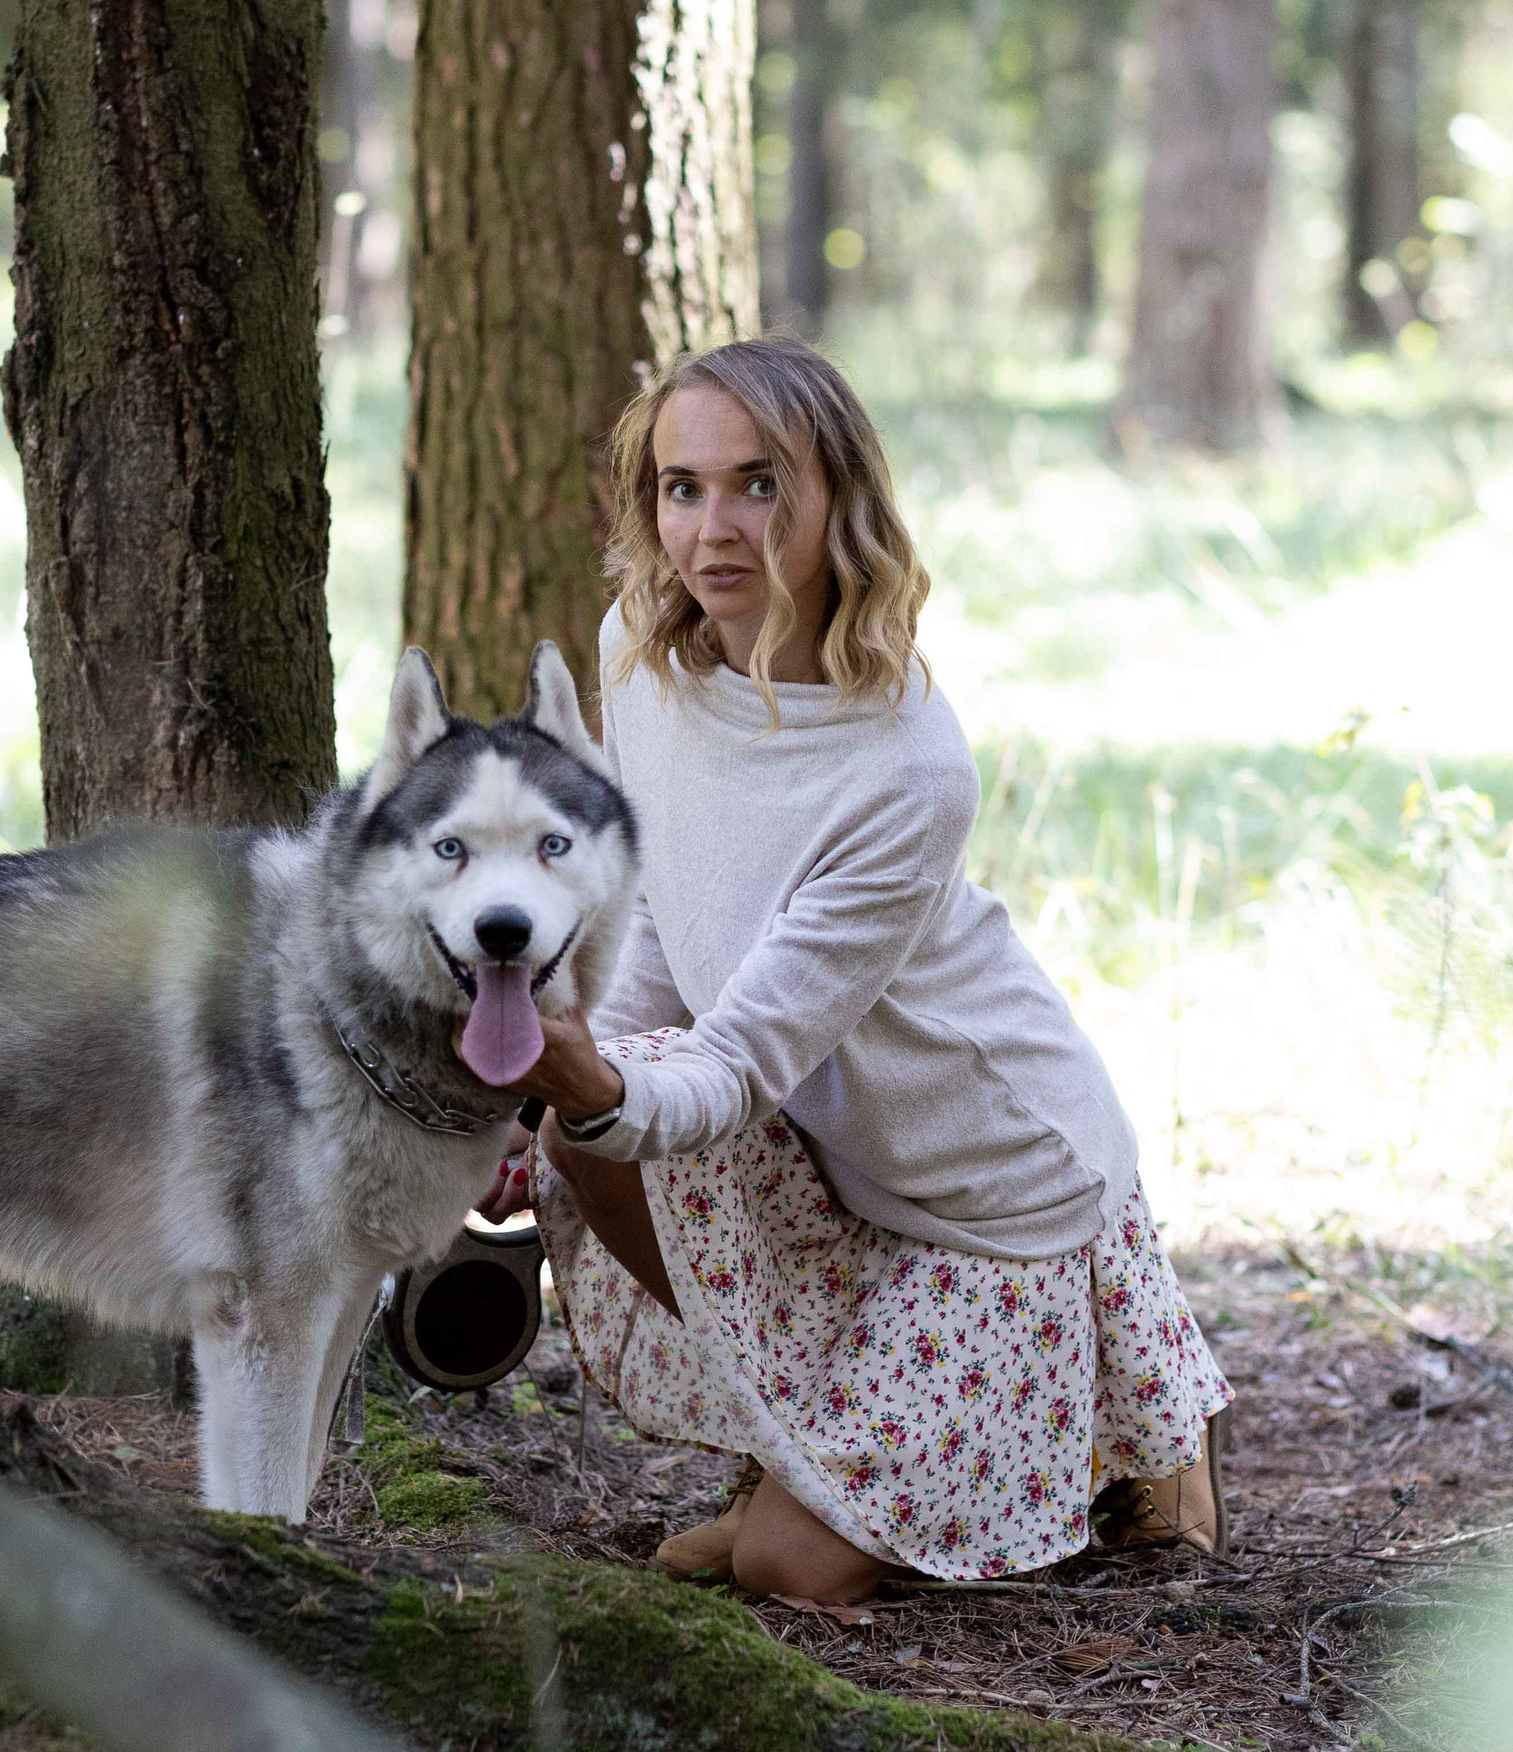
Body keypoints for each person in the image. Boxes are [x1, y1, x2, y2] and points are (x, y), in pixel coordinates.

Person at [501, 337, 1232, 1611]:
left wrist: (600, 1084)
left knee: (788, 1570)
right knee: (584, 1145)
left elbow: (736, 1062)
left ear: (839, 496)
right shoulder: (640, 652)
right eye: (681, 487)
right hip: (826, 1134)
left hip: (991, 1189)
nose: (713, 530)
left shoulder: (907, 765)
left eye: (759, 484)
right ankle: (794, 1449)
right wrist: (544, 1091)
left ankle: (1131, 1439)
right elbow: (660, 922)